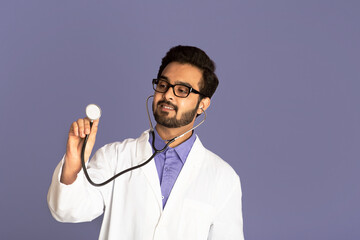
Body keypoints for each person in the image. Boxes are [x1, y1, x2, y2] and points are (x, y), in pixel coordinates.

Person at [47, 45, 244, 240]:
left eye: (182, 90)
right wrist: (74, 161)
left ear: (202, 104)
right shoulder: (115, 157)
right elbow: (66, 210)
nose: (168, 95)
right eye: (163, 85)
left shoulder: (223, 178)